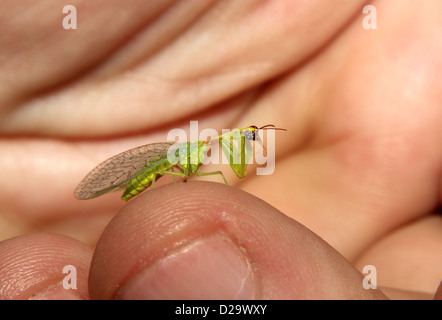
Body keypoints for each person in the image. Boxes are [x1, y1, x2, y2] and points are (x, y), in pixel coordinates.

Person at [0, 1, 441, 299]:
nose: (249, 146)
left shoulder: (219, 149)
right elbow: (182, 170)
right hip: (149, 174)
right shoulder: (201, 151)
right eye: (248, 140)